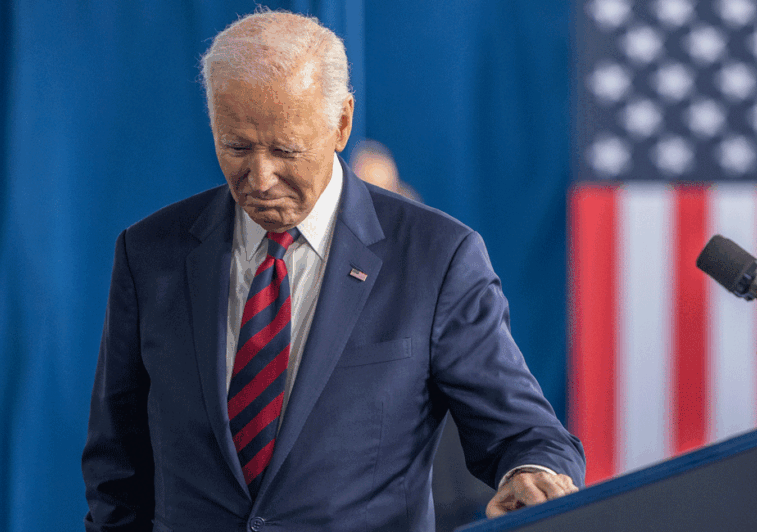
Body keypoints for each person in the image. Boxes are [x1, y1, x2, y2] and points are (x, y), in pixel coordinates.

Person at [82, 9, 584, 532]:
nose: (260, 176)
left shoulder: (437, 258)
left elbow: (526, 433)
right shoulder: (149, 254)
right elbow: (117, 464)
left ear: (341, 122)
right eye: (236, 146)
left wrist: (533, 471)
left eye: (284, 149)